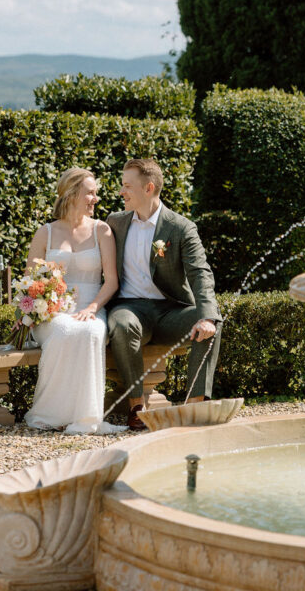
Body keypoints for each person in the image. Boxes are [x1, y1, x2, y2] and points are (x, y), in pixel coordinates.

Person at [107, 158, 222, 431]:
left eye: (127, 186)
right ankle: (137, 407)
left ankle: (195, 404)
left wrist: (206, 317)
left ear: (148, 188)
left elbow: (200, 274)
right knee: (122, 325)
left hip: (171, 311)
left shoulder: (180, 227)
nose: (121, 192)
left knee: (212, 320)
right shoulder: (115, 223)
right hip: (130, 309)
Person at [24, 167, 125, 433]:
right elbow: (30, 282)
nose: (96, 199)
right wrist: (25, 316)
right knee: (64, 329)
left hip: (92, 306)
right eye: (90, 193)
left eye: (96, 193)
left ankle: (86, 418)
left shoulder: (101, 231)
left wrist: (92, 308)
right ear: (71, 194)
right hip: (52, 312)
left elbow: (111, 281)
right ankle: (51, 414)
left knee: (91, 331)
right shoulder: (45, 233)